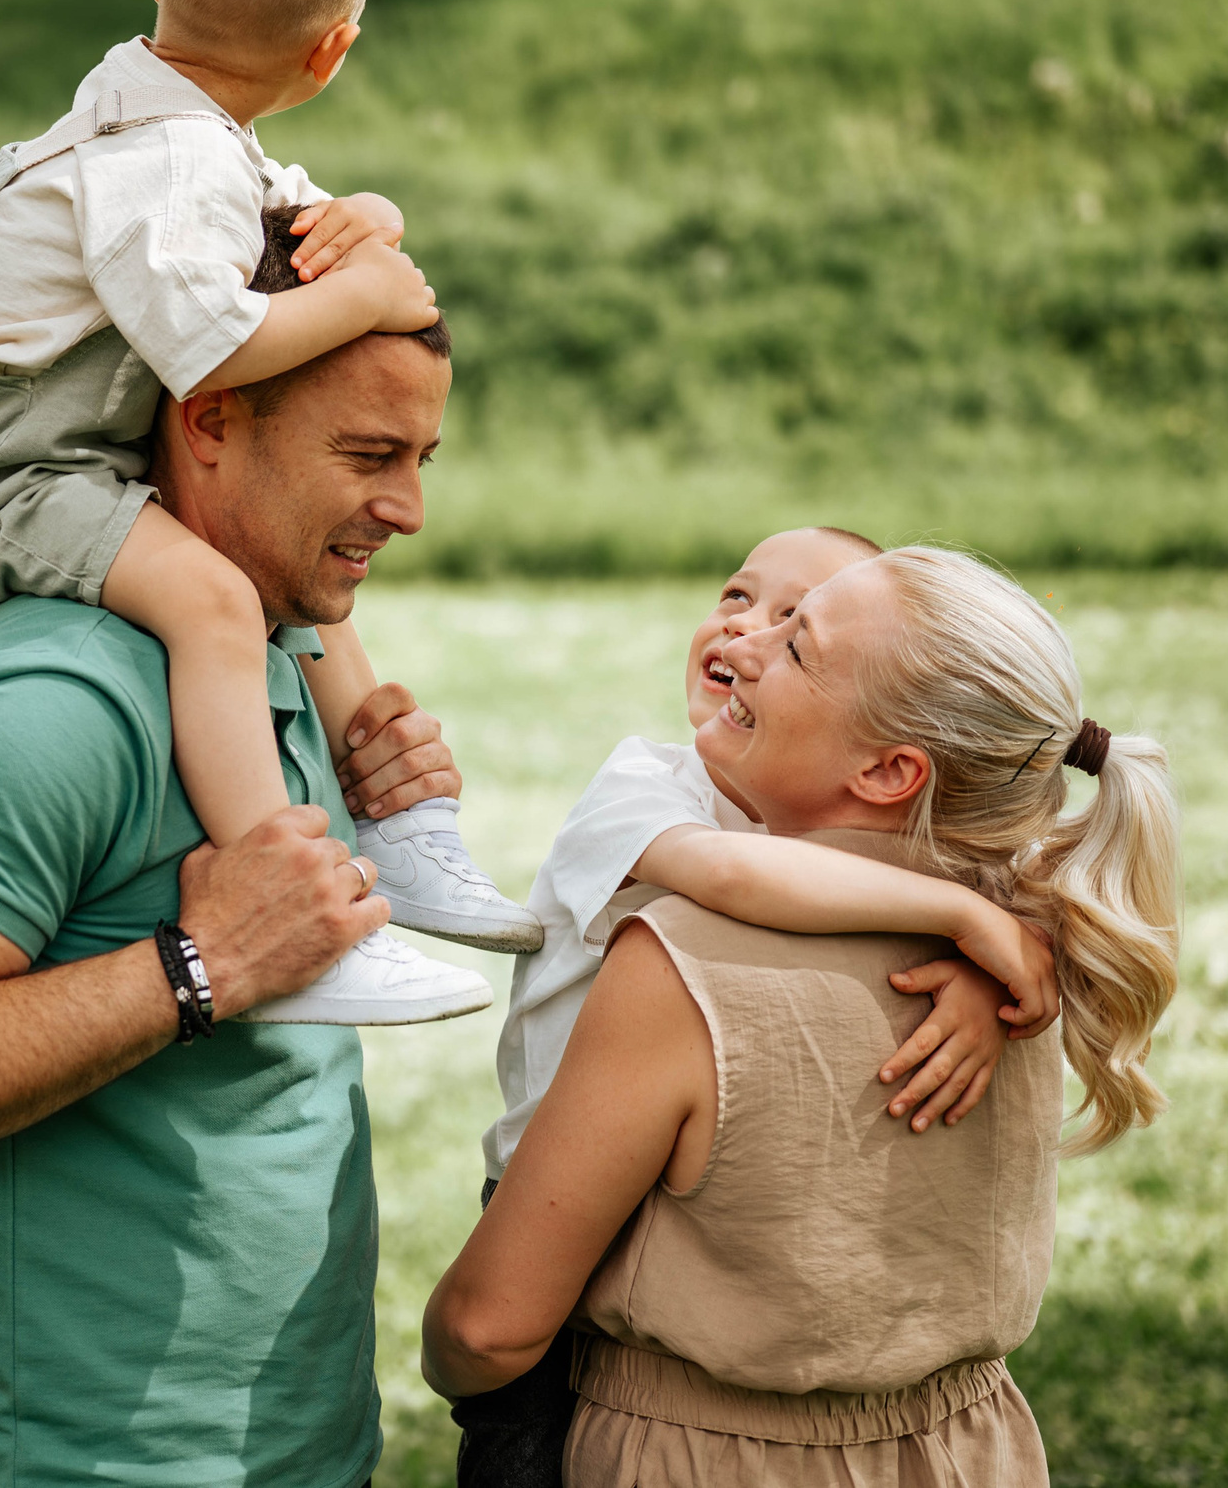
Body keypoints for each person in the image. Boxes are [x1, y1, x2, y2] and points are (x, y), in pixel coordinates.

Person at [0, 216, 483, 1485]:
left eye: (420, 458)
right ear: (207, 418)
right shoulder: (58, 699)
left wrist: (381, 814)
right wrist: (198, 967)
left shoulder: (273, 646)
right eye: (368, 455)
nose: (408, 510)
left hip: (304, 1452)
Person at [0, 0, 535, 1027]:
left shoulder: (177, 123)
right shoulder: (166, 158)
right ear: (331, 51)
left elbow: (288, 225)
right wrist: (369, 293)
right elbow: (213, 346)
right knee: (217, 603)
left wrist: (369, 217)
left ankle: (397, 827)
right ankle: (289, 896)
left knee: (288, 571)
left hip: (69, 457)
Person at [425, 546, 1183, 1487]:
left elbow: (485, 1330)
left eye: (796, 643)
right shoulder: (1026, 957)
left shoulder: (684, 960)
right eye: (750, 605)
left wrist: (446, 1352)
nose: (742, 643)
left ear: (890, 770)